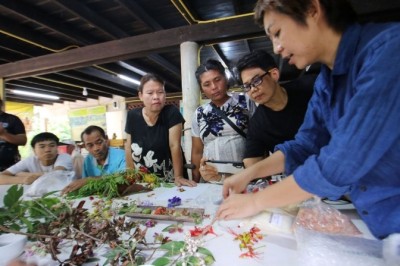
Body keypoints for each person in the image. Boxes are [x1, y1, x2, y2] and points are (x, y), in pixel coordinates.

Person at [216, 0, 400, 240]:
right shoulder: (326, 82)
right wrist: (249, 174)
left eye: (278, 33)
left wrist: (256, 201)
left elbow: (341, 162)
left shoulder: (387, 52)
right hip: (382, 226)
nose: (277, 48)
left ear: (312, 9)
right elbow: (305, 144)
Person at [236, 50, 315, 168]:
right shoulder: (257, 123)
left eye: (256, 81)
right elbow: (251, 163)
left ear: (274, 75)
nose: (253, 89)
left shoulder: (311, 89)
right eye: (247, 86)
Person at [125, 73, 196, 187]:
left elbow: (175, 145)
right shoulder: (132, 115)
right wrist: (131, 174)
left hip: (169, 179)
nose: (156, 97)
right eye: (150, 93)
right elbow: (128, 146)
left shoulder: (171, 113)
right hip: (143, 180)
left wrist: (178, 176)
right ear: (141, 95)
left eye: (160, 92)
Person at [191, 59, 254, 183]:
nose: (214, 87)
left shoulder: (245, 102)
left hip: (244, 178)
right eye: (207, 84)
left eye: (217, 80)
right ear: (202, 88)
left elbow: (260, 137)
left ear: (225, 79)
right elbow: (197, 151)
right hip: (210, 179)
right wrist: (196, 182)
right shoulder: (199, 113)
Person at [62, 125, 126, 193]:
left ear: (106, 140)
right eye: (90, 145)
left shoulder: (122, 155)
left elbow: (123, 179)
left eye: (99, 142)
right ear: (85, 146)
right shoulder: (87, 161)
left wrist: (90, 180)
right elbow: (86, 187)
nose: (96, 149)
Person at [0, 132, 72, 185]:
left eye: (52, 145)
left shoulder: (64, 157)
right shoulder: (30, 160)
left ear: (57, 148)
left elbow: (56, 176)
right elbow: (1, 177)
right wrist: (23, 179)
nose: (47, 150)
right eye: (42, 146)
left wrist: (24, 174)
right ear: (34, 150)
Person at [0, 97, 27, 171]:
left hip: (10, 165)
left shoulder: (12, 119)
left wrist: (3, 134)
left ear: (1, 103)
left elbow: (23, 141)